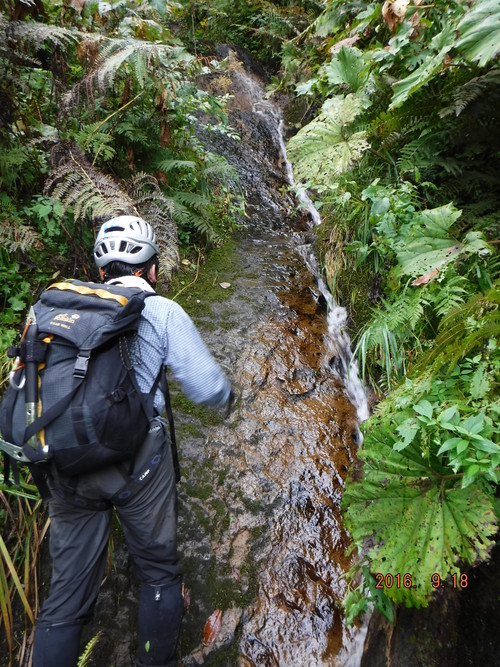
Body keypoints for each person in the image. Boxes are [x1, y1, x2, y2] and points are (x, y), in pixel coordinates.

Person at [33, 215, 233, 667]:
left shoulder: (55, 309)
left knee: (64, 603)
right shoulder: (160, 310)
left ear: (99, 270)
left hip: (64, 463)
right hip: (136, 467)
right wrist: (232, 397)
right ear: (152, 269)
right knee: (159, 574)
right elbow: (208, 389)